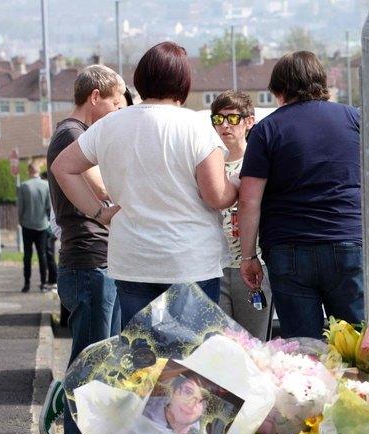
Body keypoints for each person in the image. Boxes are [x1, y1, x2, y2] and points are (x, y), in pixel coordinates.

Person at [51, 41, 237, 329]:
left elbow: (62, 167)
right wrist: (236, 184)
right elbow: (216, 196)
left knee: (143, 360)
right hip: (188, 260)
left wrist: (97, 212)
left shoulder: (109, 125)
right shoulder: (196, 126)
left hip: (132, 258)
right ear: (183, 82)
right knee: (190, 361)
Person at [237, 50, 363, 339]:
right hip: (347, 243)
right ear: (321, 82)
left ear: (280, 89)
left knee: (303, 353)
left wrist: (247, 256)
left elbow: (249, 200)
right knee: (357, 346)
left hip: (288, 249)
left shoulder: (266, 130)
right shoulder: (355, 120)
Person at [45, 64, 127, 434]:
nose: (120, 110)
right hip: (89, 261)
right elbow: (105, 186)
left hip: (94, 261)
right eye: (116, 102)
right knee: (92, 360)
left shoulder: (72, 134)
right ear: (95, 97)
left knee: (99, 358)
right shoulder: (73, 136)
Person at [210, 90, 273, 341]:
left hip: (256, 263)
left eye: (232, 118)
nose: (225, 125)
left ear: (249, 121)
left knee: (254, 345)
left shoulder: (258, 160)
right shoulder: (209, 163)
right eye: (218, 119)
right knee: (220, 347)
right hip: (217, 265)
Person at [141, 374, 211, 434]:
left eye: (201, 401)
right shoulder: (142, 409)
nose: (192, 404)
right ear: (172, 391)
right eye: (188, 392)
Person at [17, 161, 56, 292]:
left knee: (27, 255)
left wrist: (20, 221)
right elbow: (48, 207)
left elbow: (20, 207)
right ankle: (43, 283)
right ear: (38, 171)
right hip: (42, 225)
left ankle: (26, 283)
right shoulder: (46, 185)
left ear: (28, 171)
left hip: (27, 224)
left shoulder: (23, 186)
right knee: (42, 254)